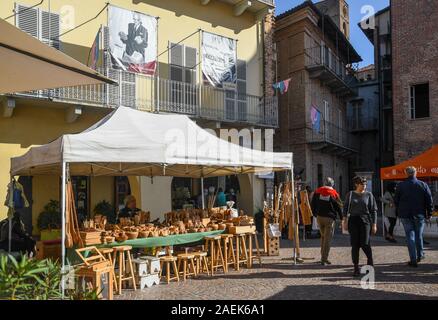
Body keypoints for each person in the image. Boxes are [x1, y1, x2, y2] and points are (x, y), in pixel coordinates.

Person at [394, 166, 433, 267]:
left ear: (406, 174)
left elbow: (396, 200)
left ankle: (413, 259)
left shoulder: (401, 185)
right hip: (419, 214)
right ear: (416, 173)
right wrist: (430, 213)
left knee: (410, 236)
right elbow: (429, 200)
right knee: (418, 236)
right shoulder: (423, 185)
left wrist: (398, 210)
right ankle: (420, 255)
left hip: (405, 214)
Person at [342, 176, 378, 277]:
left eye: (365, 184)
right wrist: (345, 222)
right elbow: (345, 210)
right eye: (363, 184)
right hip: (353, 221)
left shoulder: (369, 195)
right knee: (355, 244)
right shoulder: (350, 195)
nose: (365, 186)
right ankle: (356, 267)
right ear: (357, 184)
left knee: (365, 243)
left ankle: (370, 262)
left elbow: (373, 211)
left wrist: (374, 224)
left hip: (365, 221)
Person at [311, 178, 343, 266]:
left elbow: (312, 203)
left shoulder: (317, 191)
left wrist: (314, 214)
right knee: (327, 239)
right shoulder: (334, 194)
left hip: (319, 217)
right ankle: (324, 259)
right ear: (332, 184)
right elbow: (339, 206)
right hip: (329, 219)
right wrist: (341, 218)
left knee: (323, 237)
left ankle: (323, 256)